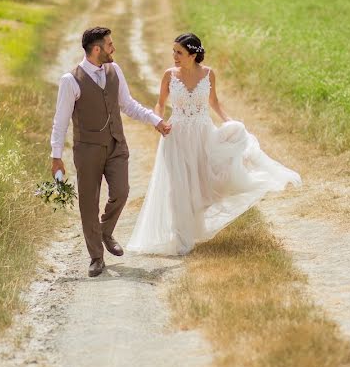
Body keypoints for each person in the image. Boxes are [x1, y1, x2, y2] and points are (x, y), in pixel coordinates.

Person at [127, 33, 300, 255]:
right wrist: (158, 121)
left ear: (192, 54)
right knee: (177, 187)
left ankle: (194, 223)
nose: (174, 56)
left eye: (179, 52)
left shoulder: (209, 74)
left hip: (202, 133)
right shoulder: (169, 76)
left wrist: (232, 124)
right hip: (176, 136)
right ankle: (181, 239)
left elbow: (214, 103)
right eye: (174, 52)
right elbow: (159, 104)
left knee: (203, 182)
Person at [50, 27, 171, 277]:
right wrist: (56, 156)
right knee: (88, 204)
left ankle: (105, 231)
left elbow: (127, 104)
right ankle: (96, 257)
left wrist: (154, 120)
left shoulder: (115, 70)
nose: (113, 48)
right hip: (88, 150)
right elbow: (60, 121)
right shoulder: (70, 80)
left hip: (116, 145)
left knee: (122, 191)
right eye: (110, 45)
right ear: (97, 49)